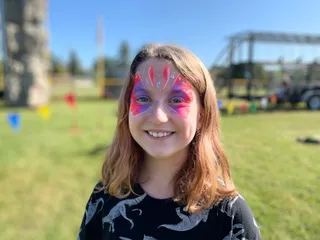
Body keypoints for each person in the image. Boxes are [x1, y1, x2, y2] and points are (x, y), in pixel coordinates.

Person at [77, 44, 262, 240]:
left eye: (176, 100)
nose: (158, 116)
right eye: (143, 98)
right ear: (126, 108)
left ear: (202, 114)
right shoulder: (105, 197)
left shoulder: (231, 216)